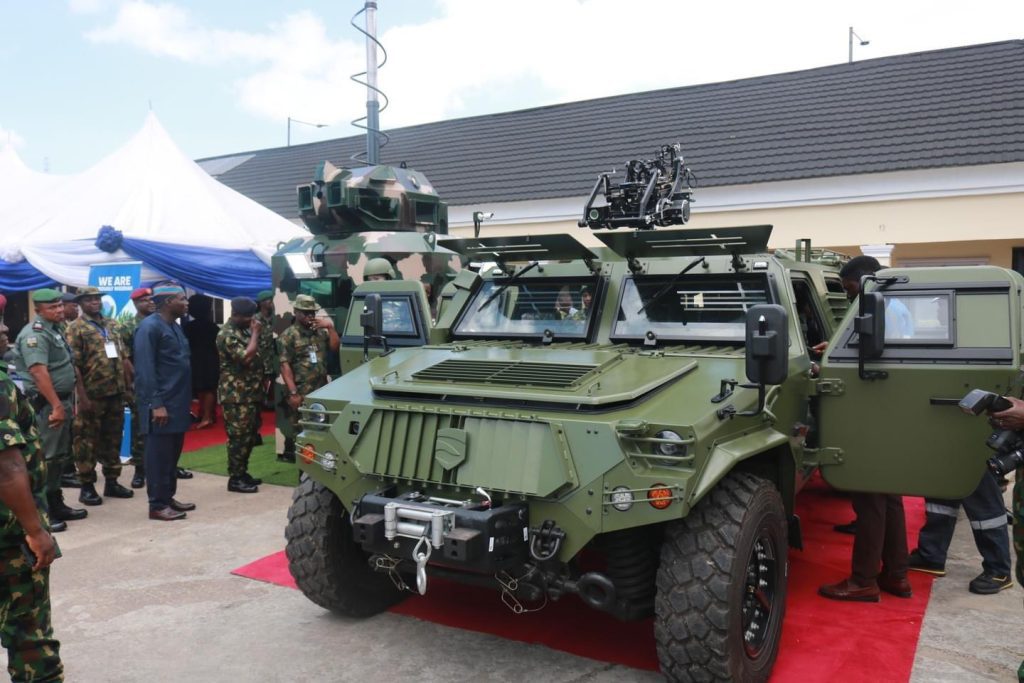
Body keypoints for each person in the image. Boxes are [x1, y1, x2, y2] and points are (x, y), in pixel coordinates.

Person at [818, 256, 912, 602]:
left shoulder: (876, 305)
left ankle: (863, 580)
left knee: (870, 496)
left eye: (850, 288)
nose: (849, 296)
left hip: (873, 413)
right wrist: (837, 349)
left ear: (867, 281)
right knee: (890, 497)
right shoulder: (897, 306)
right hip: (891, 410)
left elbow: (872, 362)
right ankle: (897, 574)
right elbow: (882, 351)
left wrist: (826, 368)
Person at [0, 356, 64, 682]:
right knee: (30, 635)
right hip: (10, 536)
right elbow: (7, 467)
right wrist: (35, 531)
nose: (5, 329)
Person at [13, 289, 88, 532]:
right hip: (47, 405)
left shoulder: (54, 329)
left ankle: (56, 504)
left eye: (59, 305)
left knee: (58, 457)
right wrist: (56, 405)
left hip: (61, 401)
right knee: (46, 458)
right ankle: (42, 512)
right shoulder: (34, 335)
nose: (58, 310)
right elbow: (38, 372)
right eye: (52, 307)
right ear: (38, 310)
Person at [65, 286, 133, 506]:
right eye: (90, 300)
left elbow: (123, 357)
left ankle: (112, 482)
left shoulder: (112, 325)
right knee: (86, 440)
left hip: (115, 392)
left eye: (97, 299)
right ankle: (87, 486)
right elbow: (74, 366)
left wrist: (129, 387)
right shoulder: (75, 328)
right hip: (92, 395)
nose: (95, 302)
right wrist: (82, 397)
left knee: (113, 438)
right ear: (81, 303)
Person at [134, 284, 195, 521]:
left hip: (177, 402)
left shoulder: (174, 326)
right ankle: (157, 505)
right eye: (182, 299)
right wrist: (156, 404)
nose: (186, 302)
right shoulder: (148, 328)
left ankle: (168, 497)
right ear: (169, 302)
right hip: (161, 404)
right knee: (158, 457)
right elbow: (145, 370)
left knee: (171, 456)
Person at [907, 470, 1013, 594]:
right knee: (942, 490)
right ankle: (931, 556)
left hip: (978, 454)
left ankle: (999, 570)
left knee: (982, 497)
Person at [278, 294, 339, 459]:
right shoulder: (289, 335)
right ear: (296, 312)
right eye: (305, 313)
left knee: (320, 431)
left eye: (312, 313)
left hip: (320, 390)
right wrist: (293, 393)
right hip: (301, 392)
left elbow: (334, 348)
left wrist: (331, 328)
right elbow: (285, 366)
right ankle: (303, 474)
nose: (309, 316)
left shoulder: (319, 332)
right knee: (301, 432)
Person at [216, 297, 264, 493]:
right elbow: (246, 357)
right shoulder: (227, 334)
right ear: (235, 315)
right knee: (238, 437)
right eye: (248, 317)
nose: (252, 320)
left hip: (250, 393)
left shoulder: (241, 330)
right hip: (236, 396)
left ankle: (242, 472)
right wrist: (255, 334)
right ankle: (235, 478)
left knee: (249, 436)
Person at [120, 286, 155, 489]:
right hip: (139, 383)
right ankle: (140, 470)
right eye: (145, 300)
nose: (150, 302)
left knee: (165, 427)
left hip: (161, 383)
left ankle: (169, 466)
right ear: (135, 304)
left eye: (151, 299)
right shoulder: (127, 327)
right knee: (140, 428)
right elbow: (124, 358)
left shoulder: (161, 322)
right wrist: (133, 382)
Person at [183, 294, 219, 430]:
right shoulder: (213, 327)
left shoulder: (188, 327)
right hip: (210, 358)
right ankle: (206, 415)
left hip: (194, 359)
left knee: (202, 388)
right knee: (209, 387)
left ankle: (206, 415)